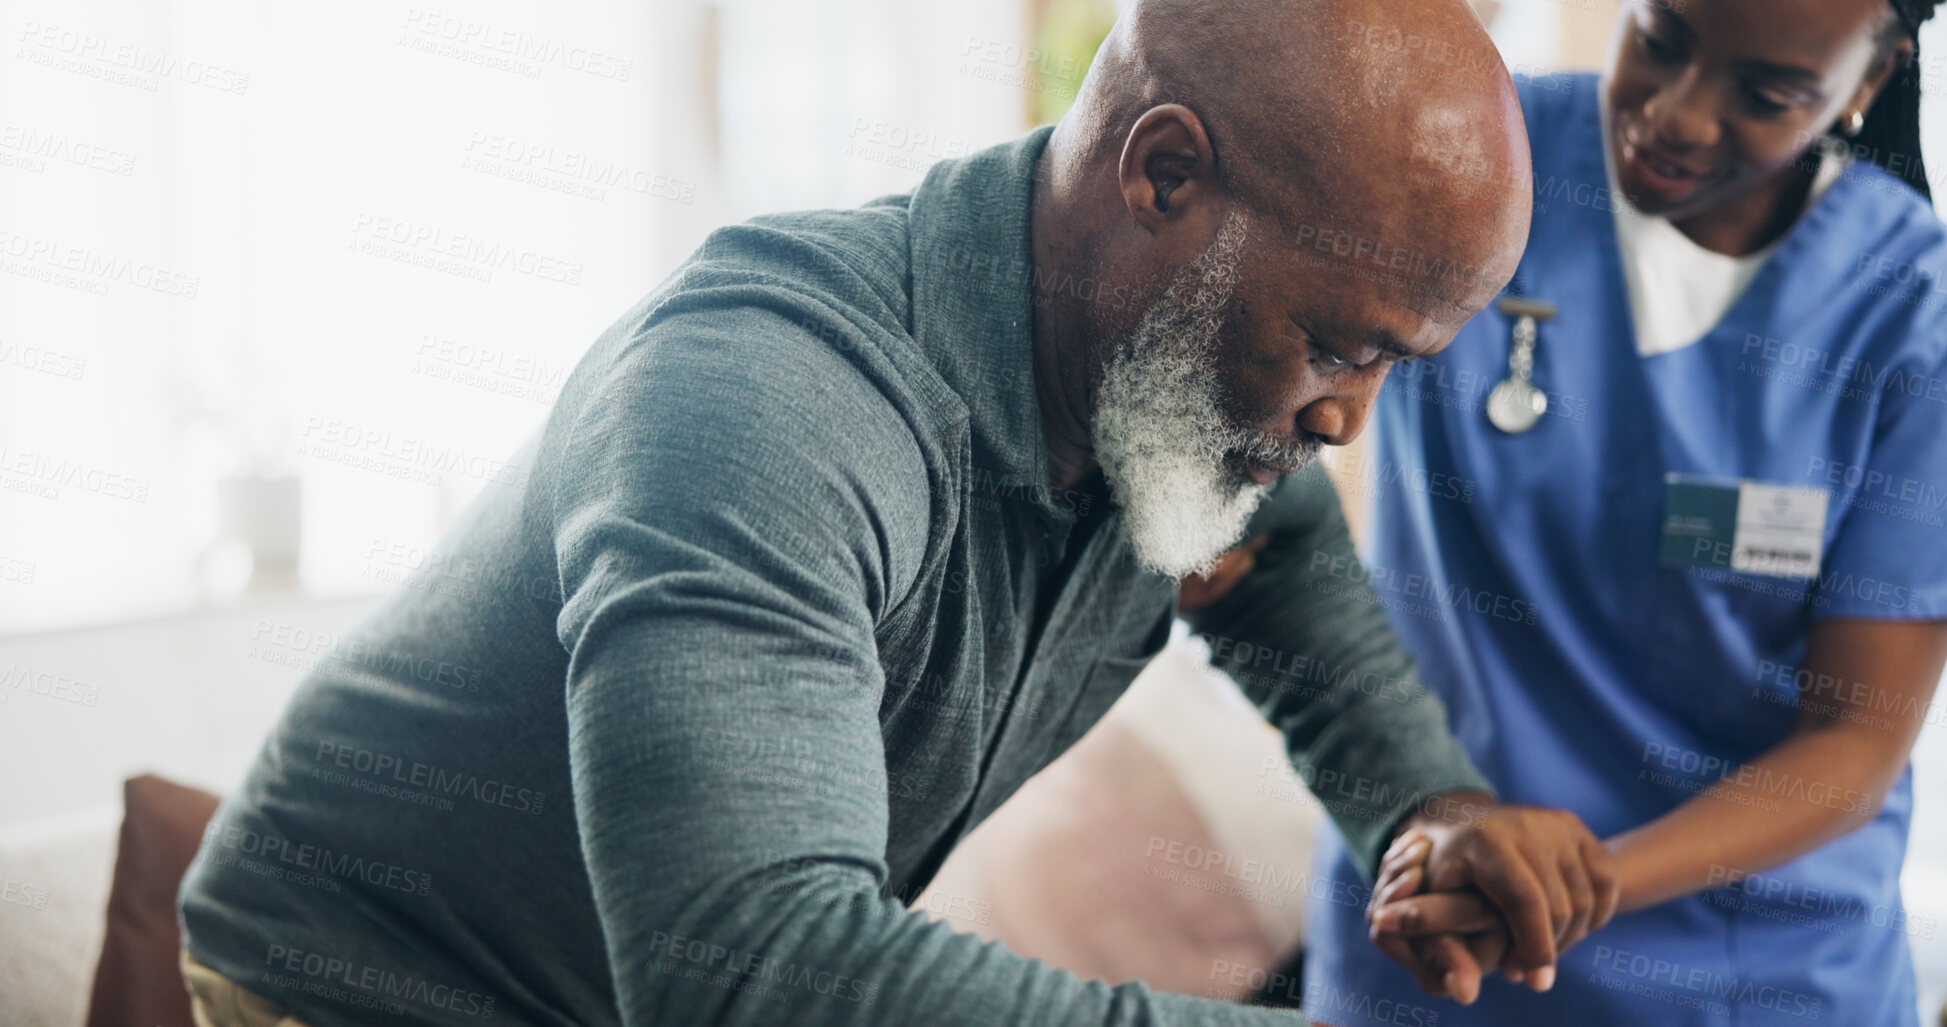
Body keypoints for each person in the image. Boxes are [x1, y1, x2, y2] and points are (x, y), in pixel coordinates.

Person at [176, 1, 1618, 1025]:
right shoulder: (764, 403)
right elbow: (748, 968)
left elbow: (1281, 588)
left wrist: (1425, 804)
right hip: (355, 979)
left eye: (1391, 363)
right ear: (1162, 173)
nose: (1341, 418)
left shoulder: (1163, 395)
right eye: (1336, 342)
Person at [1307, 1, 1947, 1024]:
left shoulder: (1913, 309)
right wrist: (1467, 853)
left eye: (1767, 94)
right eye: (1661, 40)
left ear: (1870, 82)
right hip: (1432, 915)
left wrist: (1559, 884)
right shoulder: (1469, 152)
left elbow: (1854, 743)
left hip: (1750, 971)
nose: (1680, 117)